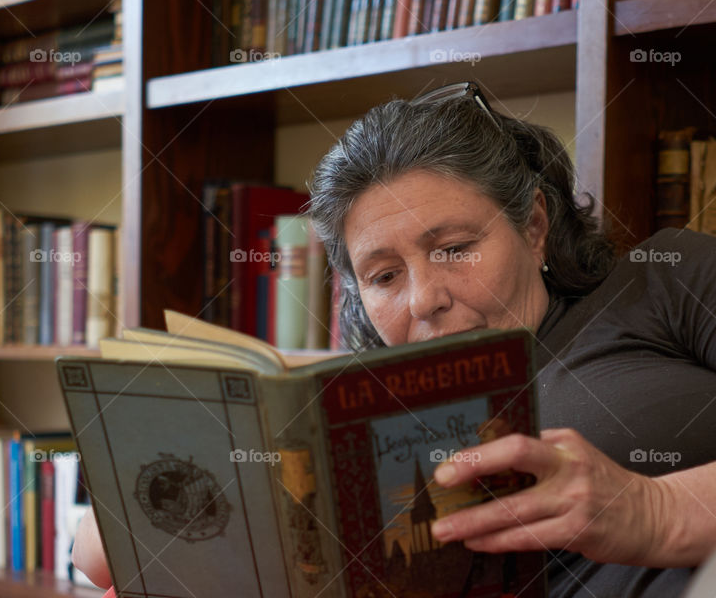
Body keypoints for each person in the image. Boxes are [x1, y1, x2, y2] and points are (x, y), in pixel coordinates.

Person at [73, 82, 716, 596]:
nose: (423, 298)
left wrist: (657, 509)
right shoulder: (358, 409)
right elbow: (96, 557)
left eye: (456, 248)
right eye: (382, 276)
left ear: (535, 225)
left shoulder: (661, 283)